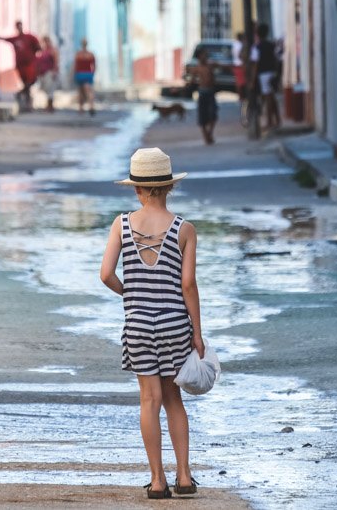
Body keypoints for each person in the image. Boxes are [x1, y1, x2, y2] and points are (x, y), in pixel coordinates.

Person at [100, 148, 204, 500]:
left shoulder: (122, 224)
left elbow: (105, 275)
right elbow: (188, 285)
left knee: (149, 400)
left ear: (137, 190)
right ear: (169, 187)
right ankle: (185, 477)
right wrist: (198, 334)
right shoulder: (184, 229)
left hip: (139, 325)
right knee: (174, 399)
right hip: (175, 324)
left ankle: (158, 481)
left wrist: (130, 294)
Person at [4, 21, 41, 112]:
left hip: (29, 65)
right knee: (25, 83)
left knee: (30, 82)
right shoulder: (15, 39)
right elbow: (5, 39)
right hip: (20, 66)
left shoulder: (30, 37)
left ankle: (21, 95)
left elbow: (38, 47)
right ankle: (27, 104)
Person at [254, 23, 281, 130]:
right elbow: (275, 59)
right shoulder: (270, 45)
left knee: (269, 97)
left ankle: (270, 121)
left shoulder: (258, 46)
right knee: (272, 97)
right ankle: (277, 119)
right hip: (271, 72)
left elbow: (256, 62)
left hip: (264, 73)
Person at [193, 47, 218, 145]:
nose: (205, 56)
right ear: (199, 57)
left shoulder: (210, 65)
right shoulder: (197, 68)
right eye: (203, 54)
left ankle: (209, 133)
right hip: (202, 92)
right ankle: (206, 136)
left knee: (213, 114)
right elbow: (192, 80)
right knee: (202, 116)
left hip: (210, 92)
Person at [73, 39, 97, 116]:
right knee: (89, 91)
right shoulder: (91, 54)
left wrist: (75, 74)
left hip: (80, 74)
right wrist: (92, 74)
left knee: (80, 91)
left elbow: (75, 66)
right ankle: (91, 106)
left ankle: (81, 108)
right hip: (88, 74)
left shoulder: (78, 54)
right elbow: (94, 66)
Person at [36, 36, 59, 112]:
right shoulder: (43, 51)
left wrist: (55, 72)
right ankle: (49, 106)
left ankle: (50, 106)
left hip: (50, 72)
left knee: (50, 89)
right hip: (43, 73)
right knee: (46, 89)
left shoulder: (53, 50)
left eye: (47, 41)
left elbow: (56, 62)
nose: (46, 43)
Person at [231, 31, 247, 102]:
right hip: (240, 65)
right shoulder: (240, 44)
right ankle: (242, 97)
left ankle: (241, 97)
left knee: (239, 82)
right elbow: (240, 55)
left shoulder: (234, 45)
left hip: (236, 65)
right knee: (242, 83)